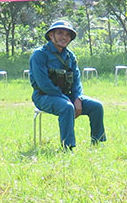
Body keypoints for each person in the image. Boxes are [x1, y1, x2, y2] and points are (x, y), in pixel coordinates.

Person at [30, 19, 106, 149]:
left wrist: (77, 98)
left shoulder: (70, 56)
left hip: (67, 96)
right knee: (67, 107)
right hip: (44, 96)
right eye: (60, 33)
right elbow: (44, 84)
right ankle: (68, 147)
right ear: (51, 35)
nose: (64, 37)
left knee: (96, 106)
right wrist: (68, 100)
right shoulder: (39, 55)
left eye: (67, 35)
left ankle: (97, 142)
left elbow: (76, 80)